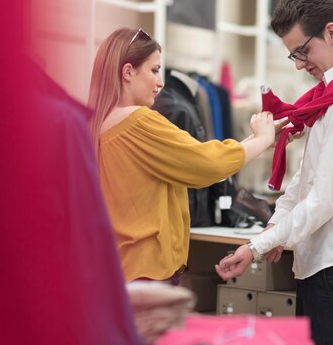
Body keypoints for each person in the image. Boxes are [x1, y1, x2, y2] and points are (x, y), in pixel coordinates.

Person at [216, 0, 333, 345]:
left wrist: (257, 245)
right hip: (324, 266)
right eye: (292, 54)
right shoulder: (331, 97)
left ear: (331, 33)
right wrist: (272, 229)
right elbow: (305, 179)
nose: (298, 64)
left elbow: (326, 197)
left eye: (302, 52)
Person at [88, 27, 275, 284]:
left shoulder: (94, 125)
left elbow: (196, 157)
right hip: (146, 271)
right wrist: (264, 140)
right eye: (154, 70)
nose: (161, 82)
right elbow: (207, 163)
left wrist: (256, 139)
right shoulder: (139, 122)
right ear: (128, 72)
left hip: (112, 270)